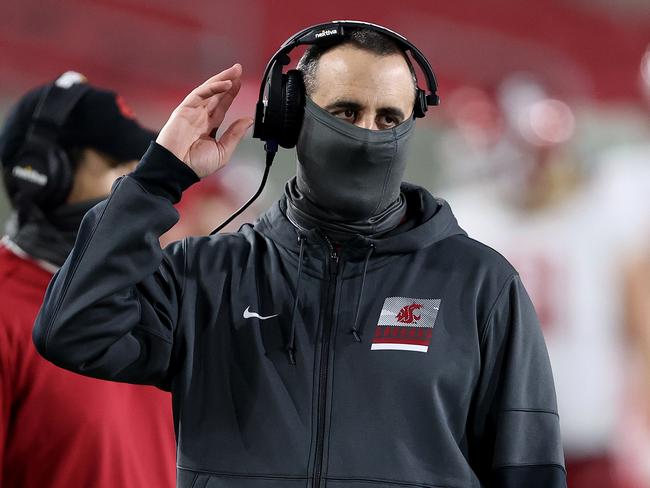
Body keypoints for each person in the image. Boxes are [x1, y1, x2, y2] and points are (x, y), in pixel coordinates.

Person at [33, 25, 566, 488]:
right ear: (291, 119)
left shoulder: (480, 284)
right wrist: (157, 178)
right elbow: (72, 328)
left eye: (388, 118)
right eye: (346, 112)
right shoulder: (206, 276)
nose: (367, 134)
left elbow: (530, 471)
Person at [0, 72, 176, 487]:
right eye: (118, 169)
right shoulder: (5, 311)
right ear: (42, 173)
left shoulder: (158, 302)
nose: (135, 193)